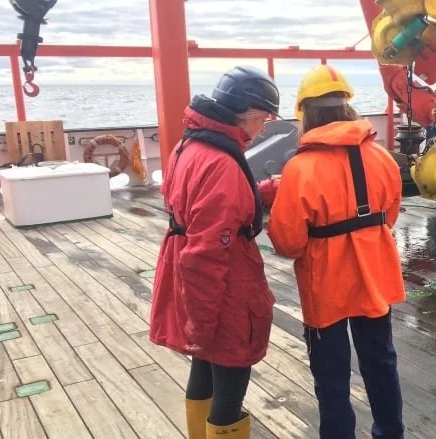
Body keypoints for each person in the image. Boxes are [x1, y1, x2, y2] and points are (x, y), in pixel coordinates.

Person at [267, 64, 406, 439]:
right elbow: (389, 215)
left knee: (331, 376)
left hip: (325, 286)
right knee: (380, 361)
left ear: (306, 114)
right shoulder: (383, 158)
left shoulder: (300, 168)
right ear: (348, 108)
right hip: (374, 278)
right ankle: (390, 433)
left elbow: (287, 240)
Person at [149, 66, 281, 439]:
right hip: (223, 288)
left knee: (203, 367)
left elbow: (202, 204)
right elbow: (207, 254)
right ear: (250, 114)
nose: (264, 127)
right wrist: (201, 325)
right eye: (264, 118)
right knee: (229, 372)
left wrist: (265, 191)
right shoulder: (223, 162)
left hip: (181, 264)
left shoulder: (188, 145)